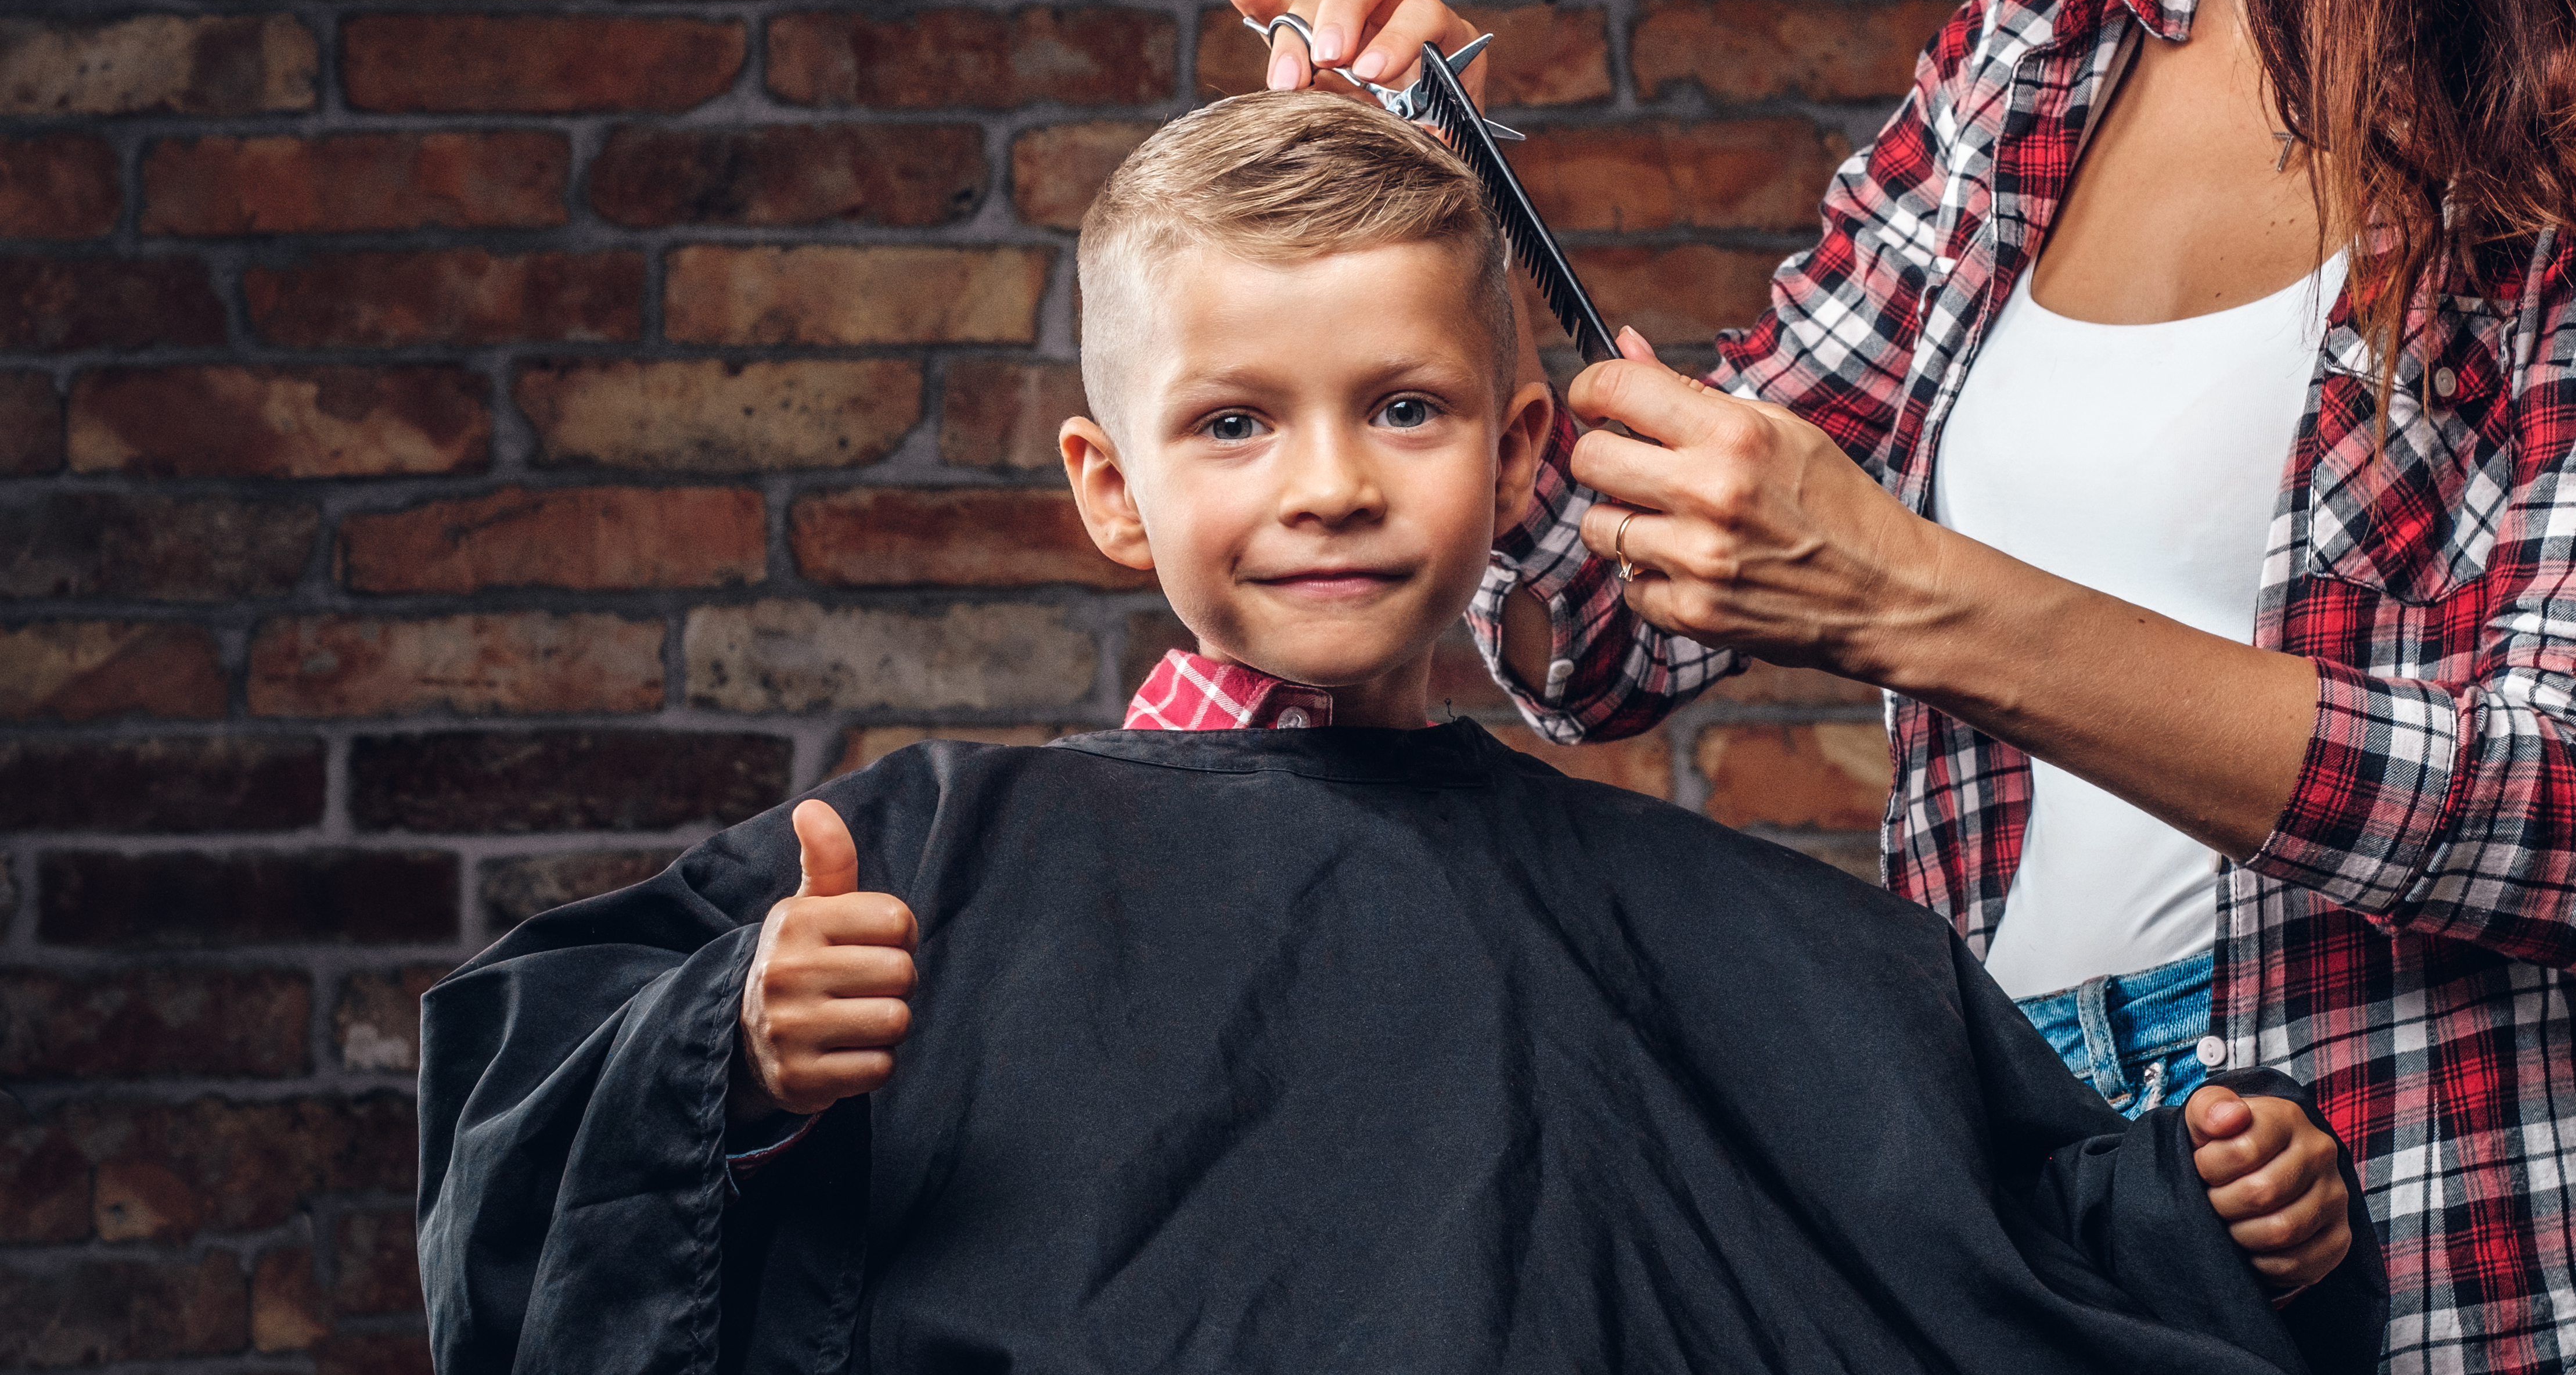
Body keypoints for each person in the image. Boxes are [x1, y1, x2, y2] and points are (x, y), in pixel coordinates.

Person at [417, 90, 2383, 1375]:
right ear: (1111, 486)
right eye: (1234, 420)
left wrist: (2203, 1218)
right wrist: (728, 1055)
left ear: (1523, 451)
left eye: (1407, 407)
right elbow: (523, 1165)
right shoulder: (927, 863)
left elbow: (1967, 1256)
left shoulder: (1729, 932)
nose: (1330, 483)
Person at [1227, 0, 2576, 1372]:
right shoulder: (2044, 37)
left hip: (2430, 1217)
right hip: (2019, 1188)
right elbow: (1597, 634)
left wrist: (1912, 597)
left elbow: (2570, 809)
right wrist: (1447, 244)